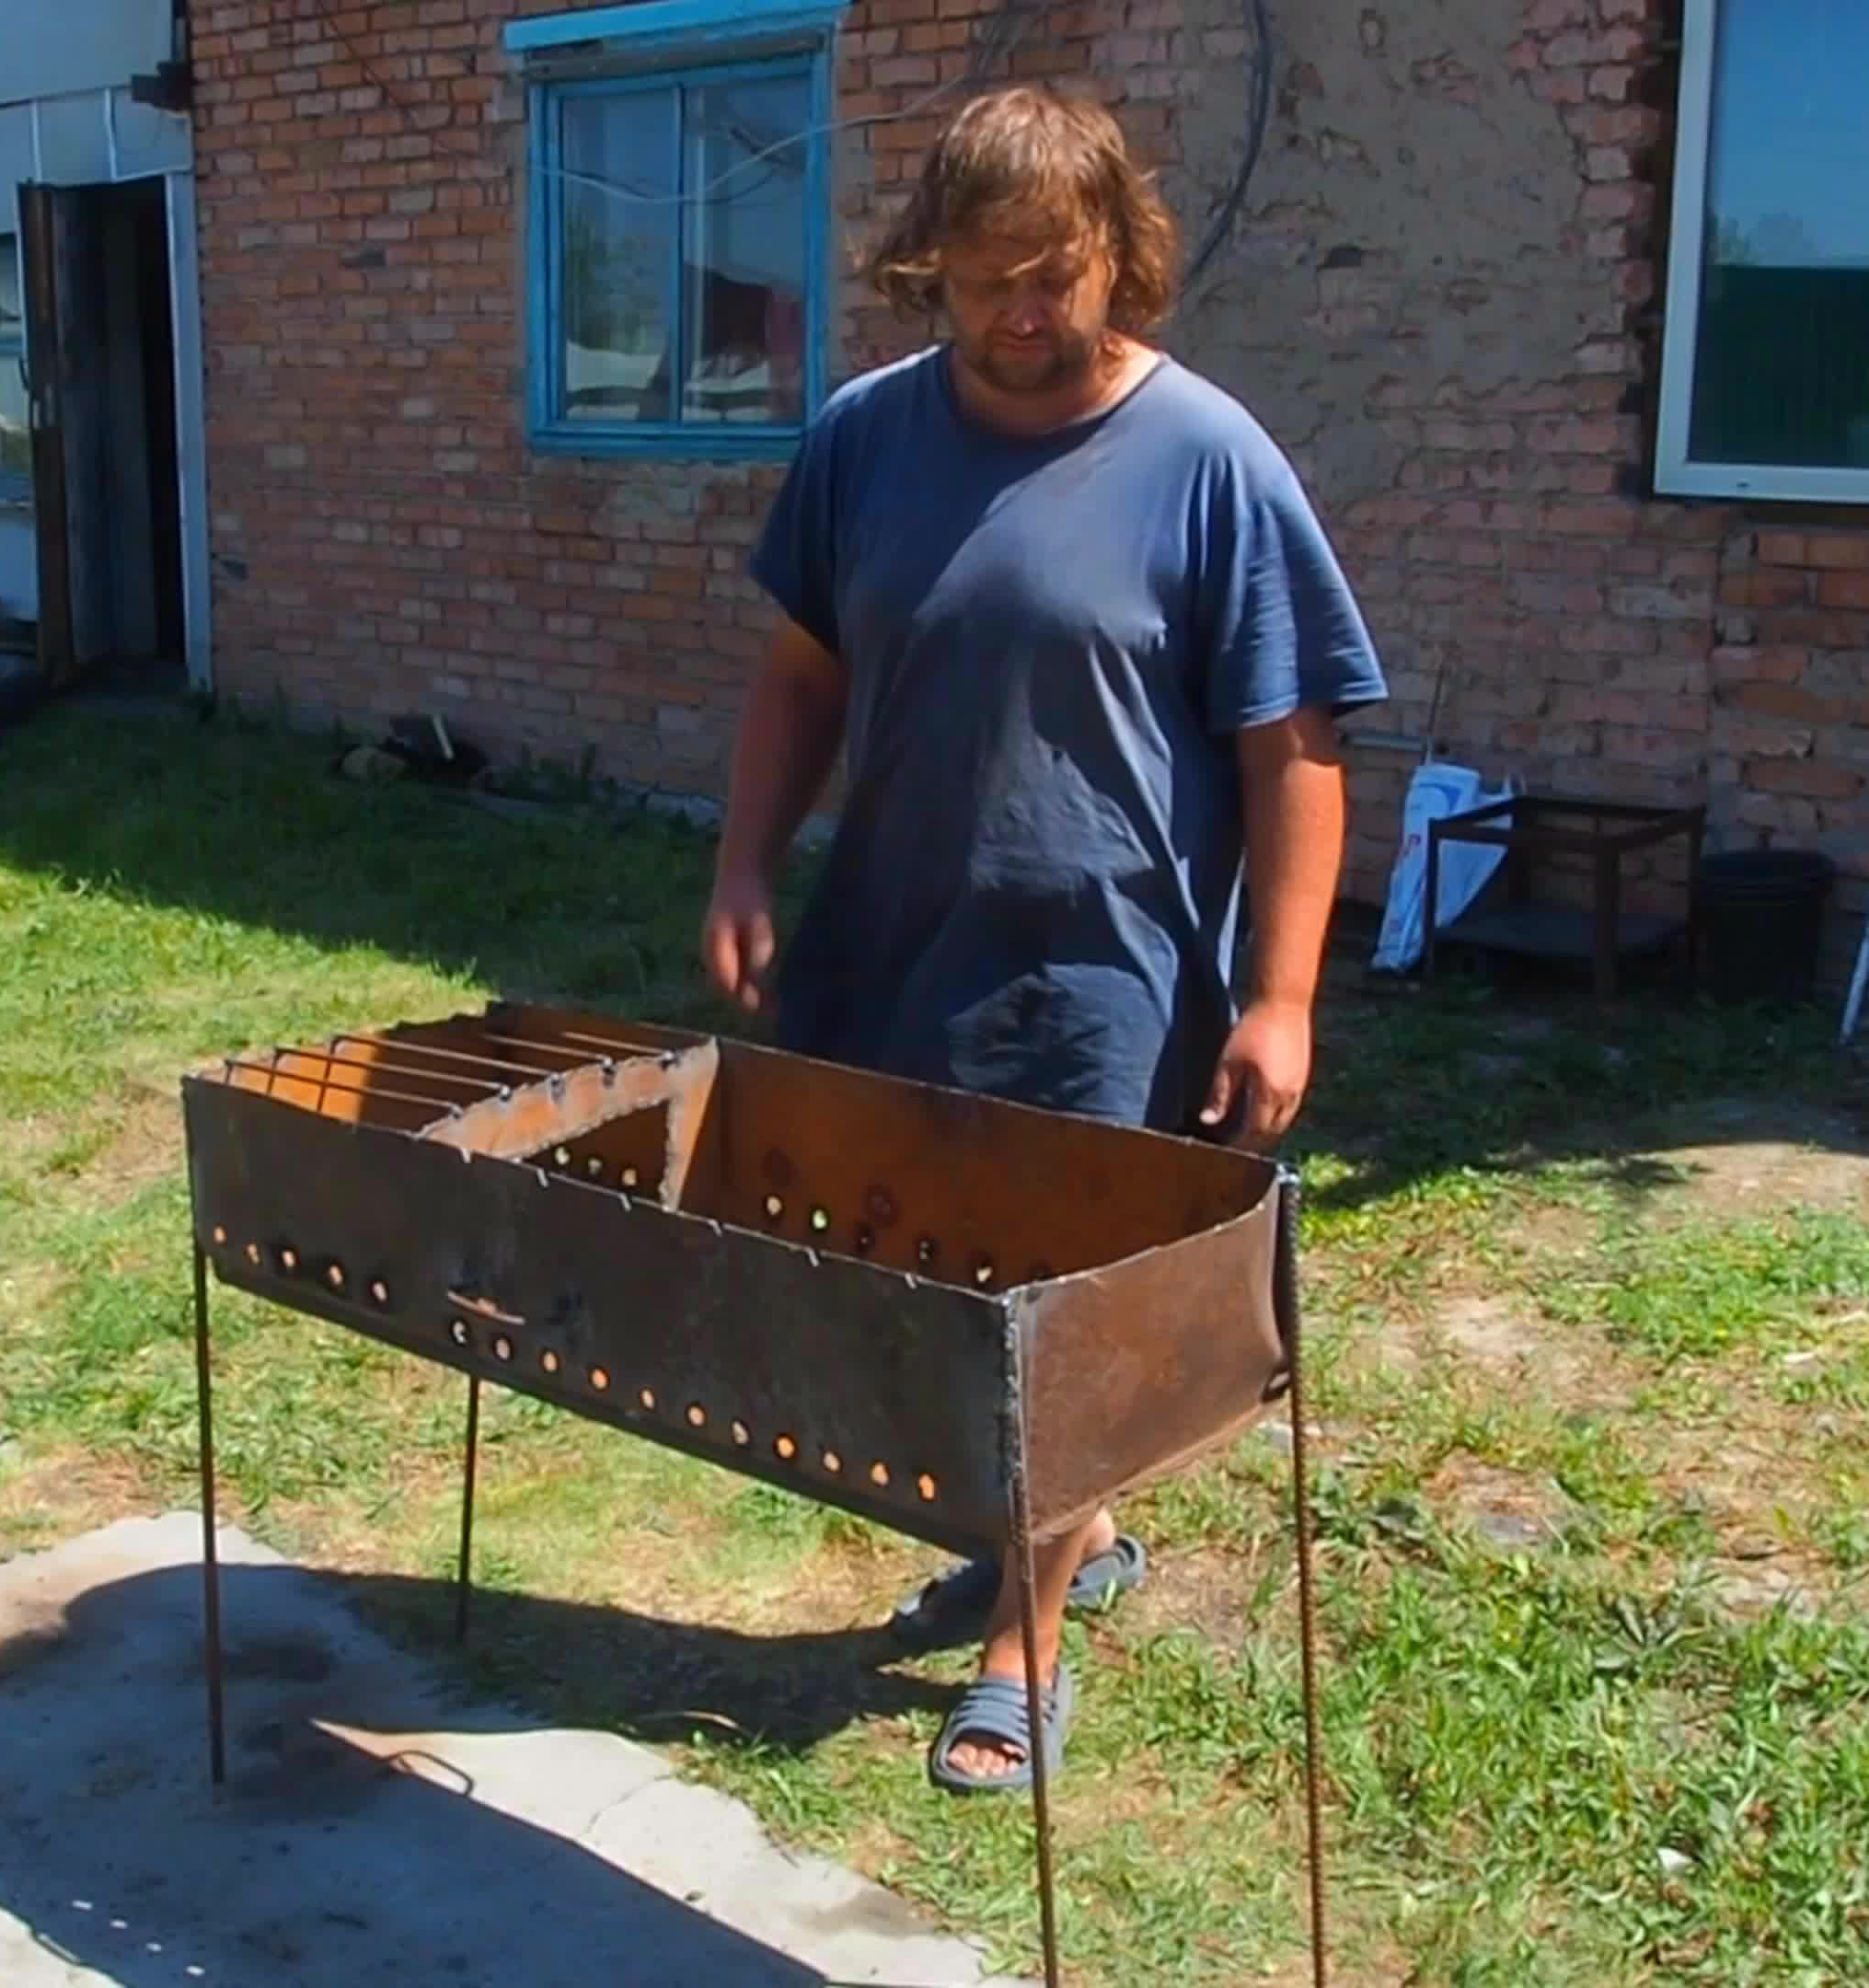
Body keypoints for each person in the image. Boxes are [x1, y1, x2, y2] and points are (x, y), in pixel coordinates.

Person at [699, 83, 1388, 1795]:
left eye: (1058, 274)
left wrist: (1285, 997)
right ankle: (1064, 1532)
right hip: (894, 940)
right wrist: (740, 871)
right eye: (988, 275)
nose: (1024, 311)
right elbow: (801, 680)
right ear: (930, 267)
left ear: (1118, 258)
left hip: (1106, 970)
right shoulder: (864, 435)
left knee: (1057, 1310)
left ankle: (1025, 1640)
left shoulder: (1205, 458)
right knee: (927, 1274)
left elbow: (1296, 746)